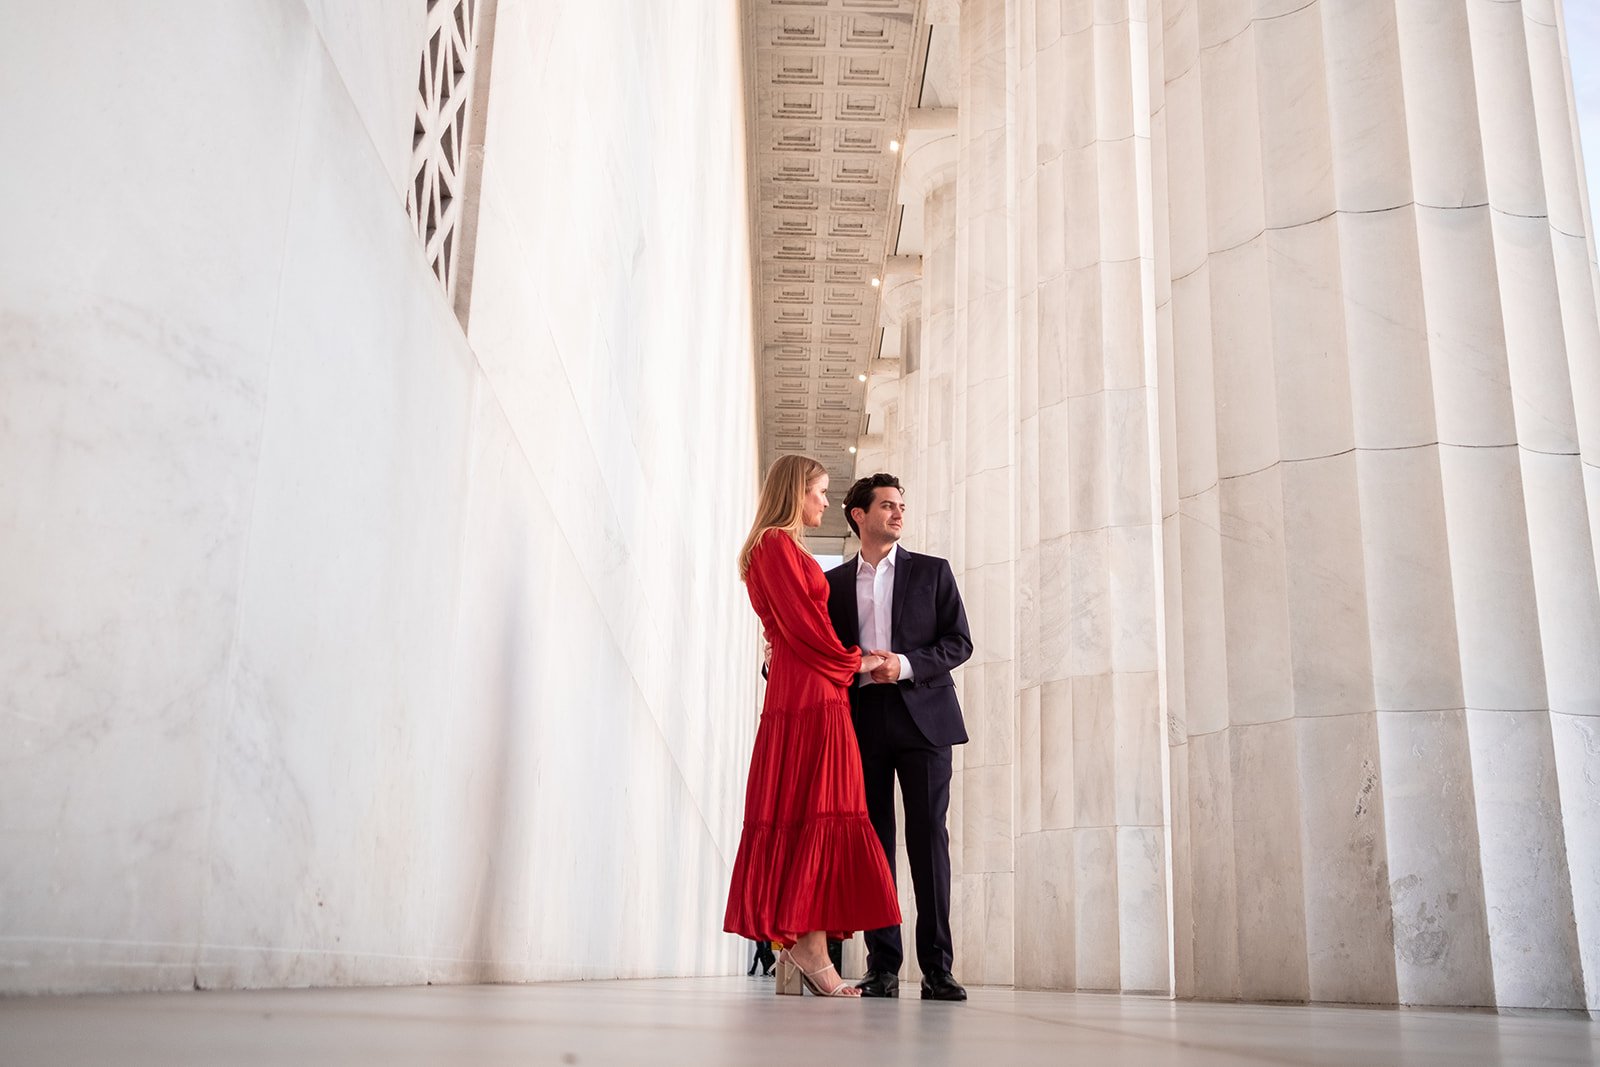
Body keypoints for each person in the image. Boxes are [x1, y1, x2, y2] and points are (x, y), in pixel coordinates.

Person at [723, 455, 901, 998]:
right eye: (820, 492)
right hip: (810, 692)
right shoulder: (775, 545)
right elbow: (804, 629)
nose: (827, 503)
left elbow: (795, 628)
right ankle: (810, 948)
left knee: (816, 811)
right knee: (819, 809)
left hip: (811, 689)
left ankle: (808, 946)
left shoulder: (780, 547)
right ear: (796, 491)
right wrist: (859, 661)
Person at [825, 473, 972, 1001]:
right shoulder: (835, 585)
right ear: (858, 515)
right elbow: (825, 653)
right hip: (861, 721)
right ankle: (882, 965)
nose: (898, 513)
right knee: (874, 843)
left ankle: (937, 969)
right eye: (887, 506)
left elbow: (960, 642)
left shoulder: (933, 572)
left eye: (901, 506)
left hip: (925, 720)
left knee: (929, 838)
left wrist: (905, 665)